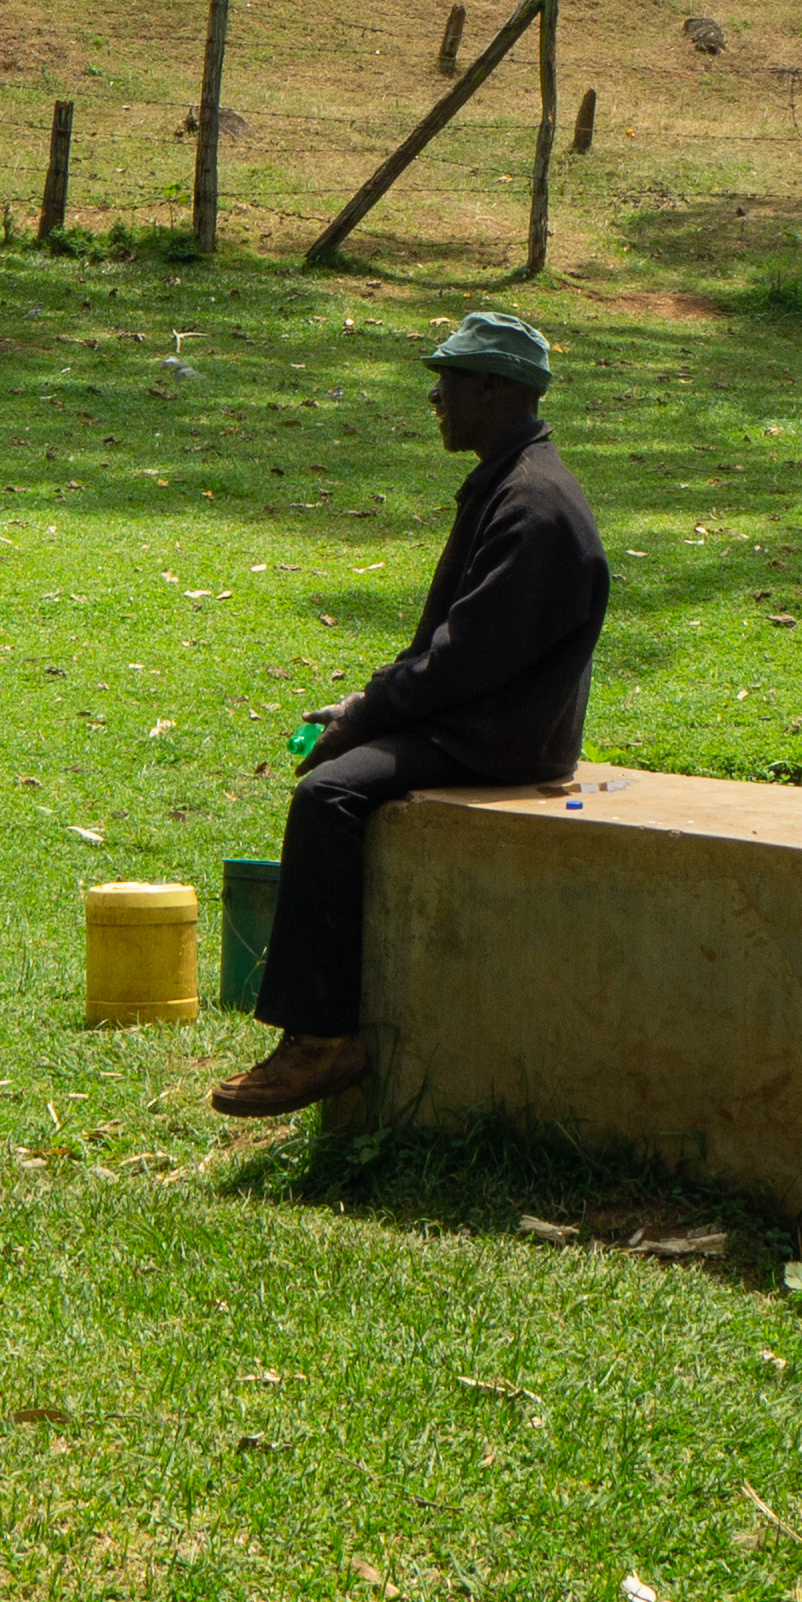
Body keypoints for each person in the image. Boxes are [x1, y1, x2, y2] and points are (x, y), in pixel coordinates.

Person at [215, 311, 609, 1120]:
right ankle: (317, 1025)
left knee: (328, 796)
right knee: (335, 768)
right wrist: (366, 705)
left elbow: (460, 661)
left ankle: (324, 1039)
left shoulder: (533, 506)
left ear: (493, 389)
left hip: (501, 740)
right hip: (480, 719)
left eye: (450, 380)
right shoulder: (511, 480)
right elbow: (454, 653)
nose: (436, 396)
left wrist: (364, 713)